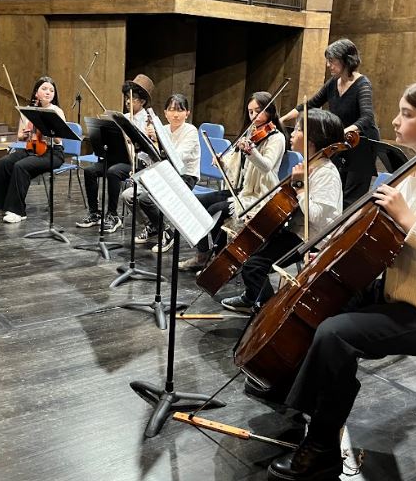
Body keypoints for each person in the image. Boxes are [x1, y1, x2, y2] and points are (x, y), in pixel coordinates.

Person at [267, 79, 416, 481]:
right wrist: (330, 251)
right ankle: (293, 399)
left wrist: (408, 219)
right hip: (396, 293)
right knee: (320, 301)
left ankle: (322, 453)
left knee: (336, 335)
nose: (395, 120)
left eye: (407, 114)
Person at [220, 109, 344, 314]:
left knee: (254, 265)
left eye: (298, 129)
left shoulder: (326, 173)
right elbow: (289, 204)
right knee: (251, 250)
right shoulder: (308, 164)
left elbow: (315, 216)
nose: (292, 133)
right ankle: (253, 297)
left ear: (312, 138)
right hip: (296, 229)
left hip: (312, 238)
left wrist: (300, 187)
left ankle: (267, 309)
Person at [179, 91, 286, 272]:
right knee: (195, 203)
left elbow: (266, 167)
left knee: (215, 210)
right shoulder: (250, 133)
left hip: (259, 193)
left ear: (270, 111)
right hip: (240, 189)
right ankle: (202, 254)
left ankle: (221, 260)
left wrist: (251, 151)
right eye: (250, 112)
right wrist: (221, 162)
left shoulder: (277, 138)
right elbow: (234, 164)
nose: (254, 116)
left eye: (258, 111)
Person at [279, 38, 379, 208]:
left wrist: (340, 132)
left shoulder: (362, 84)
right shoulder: (333, 82)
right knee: (338, 184)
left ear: (346, 60)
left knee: (352, 195)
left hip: (362, 142)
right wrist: (281, 119)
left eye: (332, 61)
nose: (328, 65)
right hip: (342, 140)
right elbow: (310, 104)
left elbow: (367, 118)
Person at [75, 73, 154, 234]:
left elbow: (148, 148)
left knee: (113, 172)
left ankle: (113, 215)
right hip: (118, 158)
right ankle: (94, 213)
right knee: (90, 171)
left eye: (132, 98)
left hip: (137, 162)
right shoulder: (123, 117)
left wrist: (135, 138)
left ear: (142, 101)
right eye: (126, 98)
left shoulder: (148, 120)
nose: (128, 101)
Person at [0, 76, 66, 223]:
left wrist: (46, 129)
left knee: (21, 166)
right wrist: (26, 133)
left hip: (53, 153)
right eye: (44, 89)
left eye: (51, 90)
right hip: (33, 148)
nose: (48, 92)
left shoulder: (56, 111)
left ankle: (17, 211)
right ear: (36, 92)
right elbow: (20, 136)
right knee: (3, 163)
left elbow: (59, 139)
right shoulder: (29, 111)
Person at [123, 93, 200, 253]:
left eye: (180, 110)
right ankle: (153, 226)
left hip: (185, 177)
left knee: (146, 199)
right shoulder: (163, 129)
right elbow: (150, 159)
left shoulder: (191, 131)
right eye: (171, 110)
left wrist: (158, 140)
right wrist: (144, 143)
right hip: (164, 174)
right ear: (165, 113)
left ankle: (166, 232)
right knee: (128, 195)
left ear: (187, 113)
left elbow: (176, 157)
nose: (175, 114)